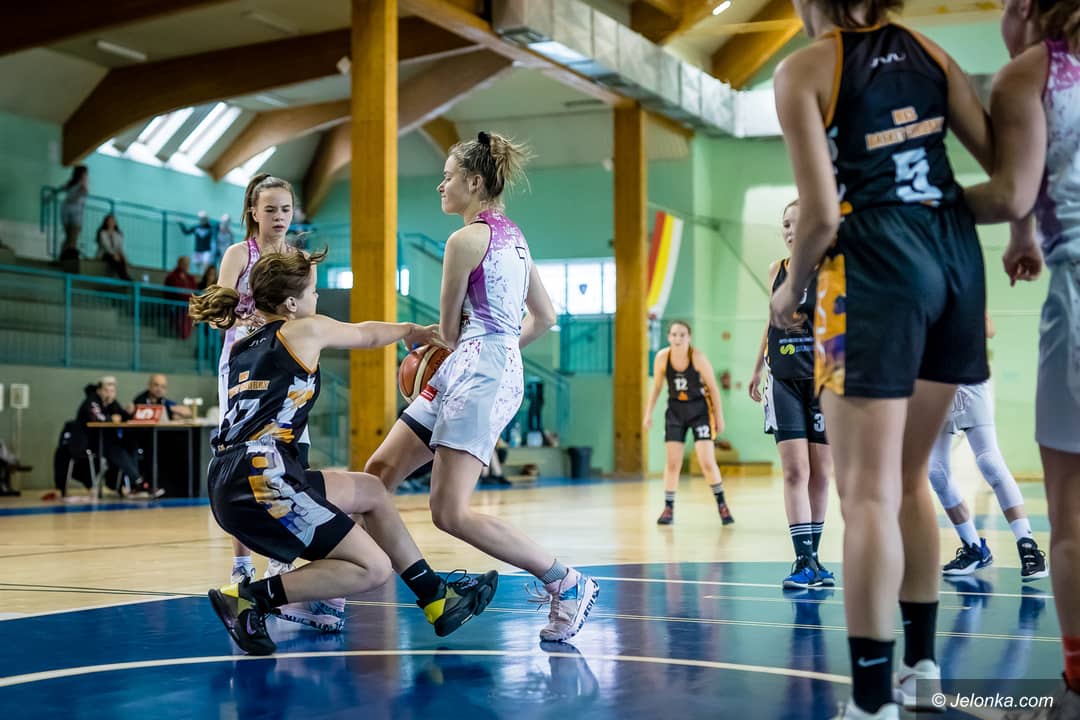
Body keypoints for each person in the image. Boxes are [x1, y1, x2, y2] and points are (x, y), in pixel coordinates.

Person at [770, 2, 997, 717]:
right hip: (957, 266)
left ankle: (871, 702)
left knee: (865, 494)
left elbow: (819, 217)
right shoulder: (932, 53)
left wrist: (791, 292)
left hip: (870, 272)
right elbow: (1010, 176)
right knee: (908, 479)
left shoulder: (805, 67)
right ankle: (922, 672)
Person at [189, 249, 498, 655]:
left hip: (232, 476)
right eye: (313, 292)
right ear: (292, 304)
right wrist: (411, 330)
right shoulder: (303, 330)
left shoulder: (242, 347)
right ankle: (250, 599)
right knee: (373, 567)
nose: (317, 299)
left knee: (371, 490)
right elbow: (365, 335)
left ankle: (436, 598)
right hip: (262, 478)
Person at [363, 131, 600, 643]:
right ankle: (334, 593)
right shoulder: (516, 237)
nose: (441, 186)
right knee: (377, 475)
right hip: (482, 365)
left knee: (448, 512)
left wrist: (430, 344)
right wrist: (500, 348)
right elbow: (545, 317)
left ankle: (567, 582)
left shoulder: (463, 241)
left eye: (447, 177)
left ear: (473, 182)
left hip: (477, 372)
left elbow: (448, 333)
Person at [961, 0, 1080, 714]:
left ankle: (1078, 676)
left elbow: (1012, 190)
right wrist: (1024, 233)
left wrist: (903, 201)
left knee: (1070, 515)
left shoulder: (1030, 74)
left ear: (1029, 9)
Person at [217, 174, 313, 592]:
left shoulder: (301, 259)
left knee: (290, 459)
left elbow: (309, 316)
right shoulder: (239, 254)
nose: (279, 216)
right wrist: (246, 319)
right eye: (270, 209)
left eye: (286, 209)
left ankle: (280, 556)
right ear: (253, 212)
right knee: (242, 462)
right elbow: (218, 312)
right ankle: (241, 563)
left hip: (286, 365)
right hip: (243, 368)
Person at [749, 199, 833, 589]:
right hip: (783, 379)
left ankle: (814, 560)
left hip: (823, 380)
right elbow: (772, 320)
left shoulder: (833, 269)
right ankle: (803, 560)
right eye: (784, 224)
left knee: (821, 472)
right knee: (795, 470)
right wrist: (756, 368)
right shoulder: (776, 270)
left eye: (797, 223)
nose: (789, 230)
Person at [930, 313, 1048, 582]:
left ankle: (1028, 547)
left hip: (969, 379)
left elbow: (989, 328)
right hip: (934, 384)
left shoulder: (961, 287)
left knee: (989, 462)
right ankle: (974, 548)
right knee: (936, 473)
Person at [643, 320, 733, 526]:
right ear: (669, 337)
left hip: (699, 411)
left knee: (707, 462)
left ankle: (722, 504)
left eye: (682, 334)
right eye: (674, 334)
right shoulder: (662, 358)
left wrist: (719, 417)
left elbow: (713, 388)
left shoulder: (698, 358)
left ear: (689, 337)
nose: (678, 338)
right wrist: (648, 413)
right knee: (673, 463)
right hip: (675, 412)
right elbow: (656, 387)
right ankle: (668, 508)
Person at [76, 376, 163, 498]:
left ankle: (134, 485)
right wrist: (110, 418)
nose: (109, 394)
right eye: (106, 390)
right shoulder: (92, 401)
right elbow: (96, 417)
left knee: (131, 444)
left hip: (107, 441)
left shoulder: (112, 403)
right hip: (89, 442)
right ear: (99, 390)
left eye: (112, 391)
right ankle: (138, 482)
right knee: (114, 449)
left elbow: (123, 417)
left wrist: (129, 412)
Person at [165, 256, 199, 340]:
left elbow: (194, 290)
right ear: (179, 264)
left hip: (188, 304)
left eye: (188, 264)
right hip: (176, 304)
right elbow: (176, 291)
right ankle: (183, 334)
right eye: (184, 264)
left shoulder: (190, 278)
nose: (186, 266)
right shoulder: (172, 276)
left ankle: (186, 334)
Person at [59, 165, 88, 259]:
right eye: (85, 174)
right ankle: (68, 258)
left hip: (69, 212)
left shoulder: (74, 184)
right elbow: (76, 197)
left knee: (70, 238)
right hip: (74, 214)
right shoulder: (79, 186)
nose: (86, 176)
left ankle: (63, 257)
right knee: (72, 238)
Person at [95, 214, 131, 281]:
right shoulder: (102, 233)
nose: (111, 223)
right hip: (104, 254)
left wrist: (123, 256)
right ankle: (124, 276)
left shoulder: (118, 234)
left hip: (115, 255)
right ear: (106, 222)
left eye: (113, 221)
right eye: (109, 221)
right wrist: (113, 254)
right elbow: (106, 247)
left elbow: (120, 247)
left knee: (121, 258)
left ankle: (124, 275)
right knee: (113, 258)